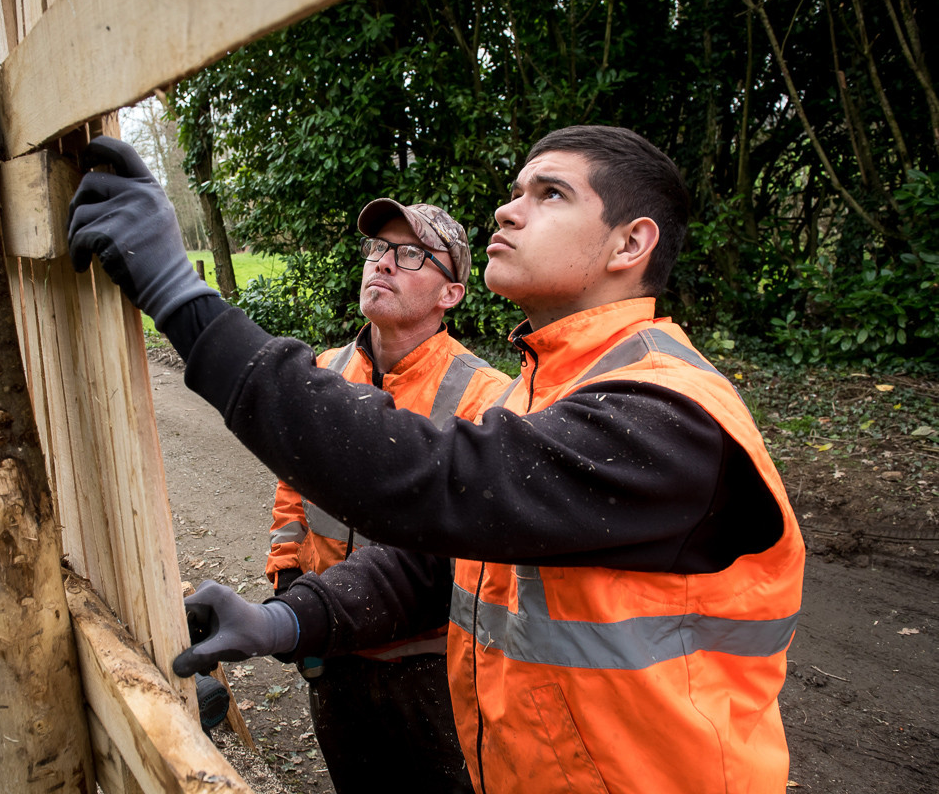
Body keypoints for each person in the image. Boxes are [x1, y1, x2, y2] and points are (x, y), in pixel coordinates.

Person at [67, 127, 806, 794]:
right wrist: (289, 618)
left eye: (549, 194)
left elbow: (427, 484)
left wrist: (179, 296)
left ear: (628, 244)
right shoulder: (542, 393)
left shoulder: (668, 414)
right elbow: (439, 559)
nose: (507, 212)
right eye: (515, 192)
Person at [264, 199, 508, 793]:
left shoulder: (489, 396)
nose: (384, 265)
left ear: (451, 294)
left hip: (432, 670)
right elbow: (292, 493)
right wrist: (287, 585)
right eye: (377, 250)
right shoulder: (322, 371)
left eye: (410, 255)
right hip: (333, 651)